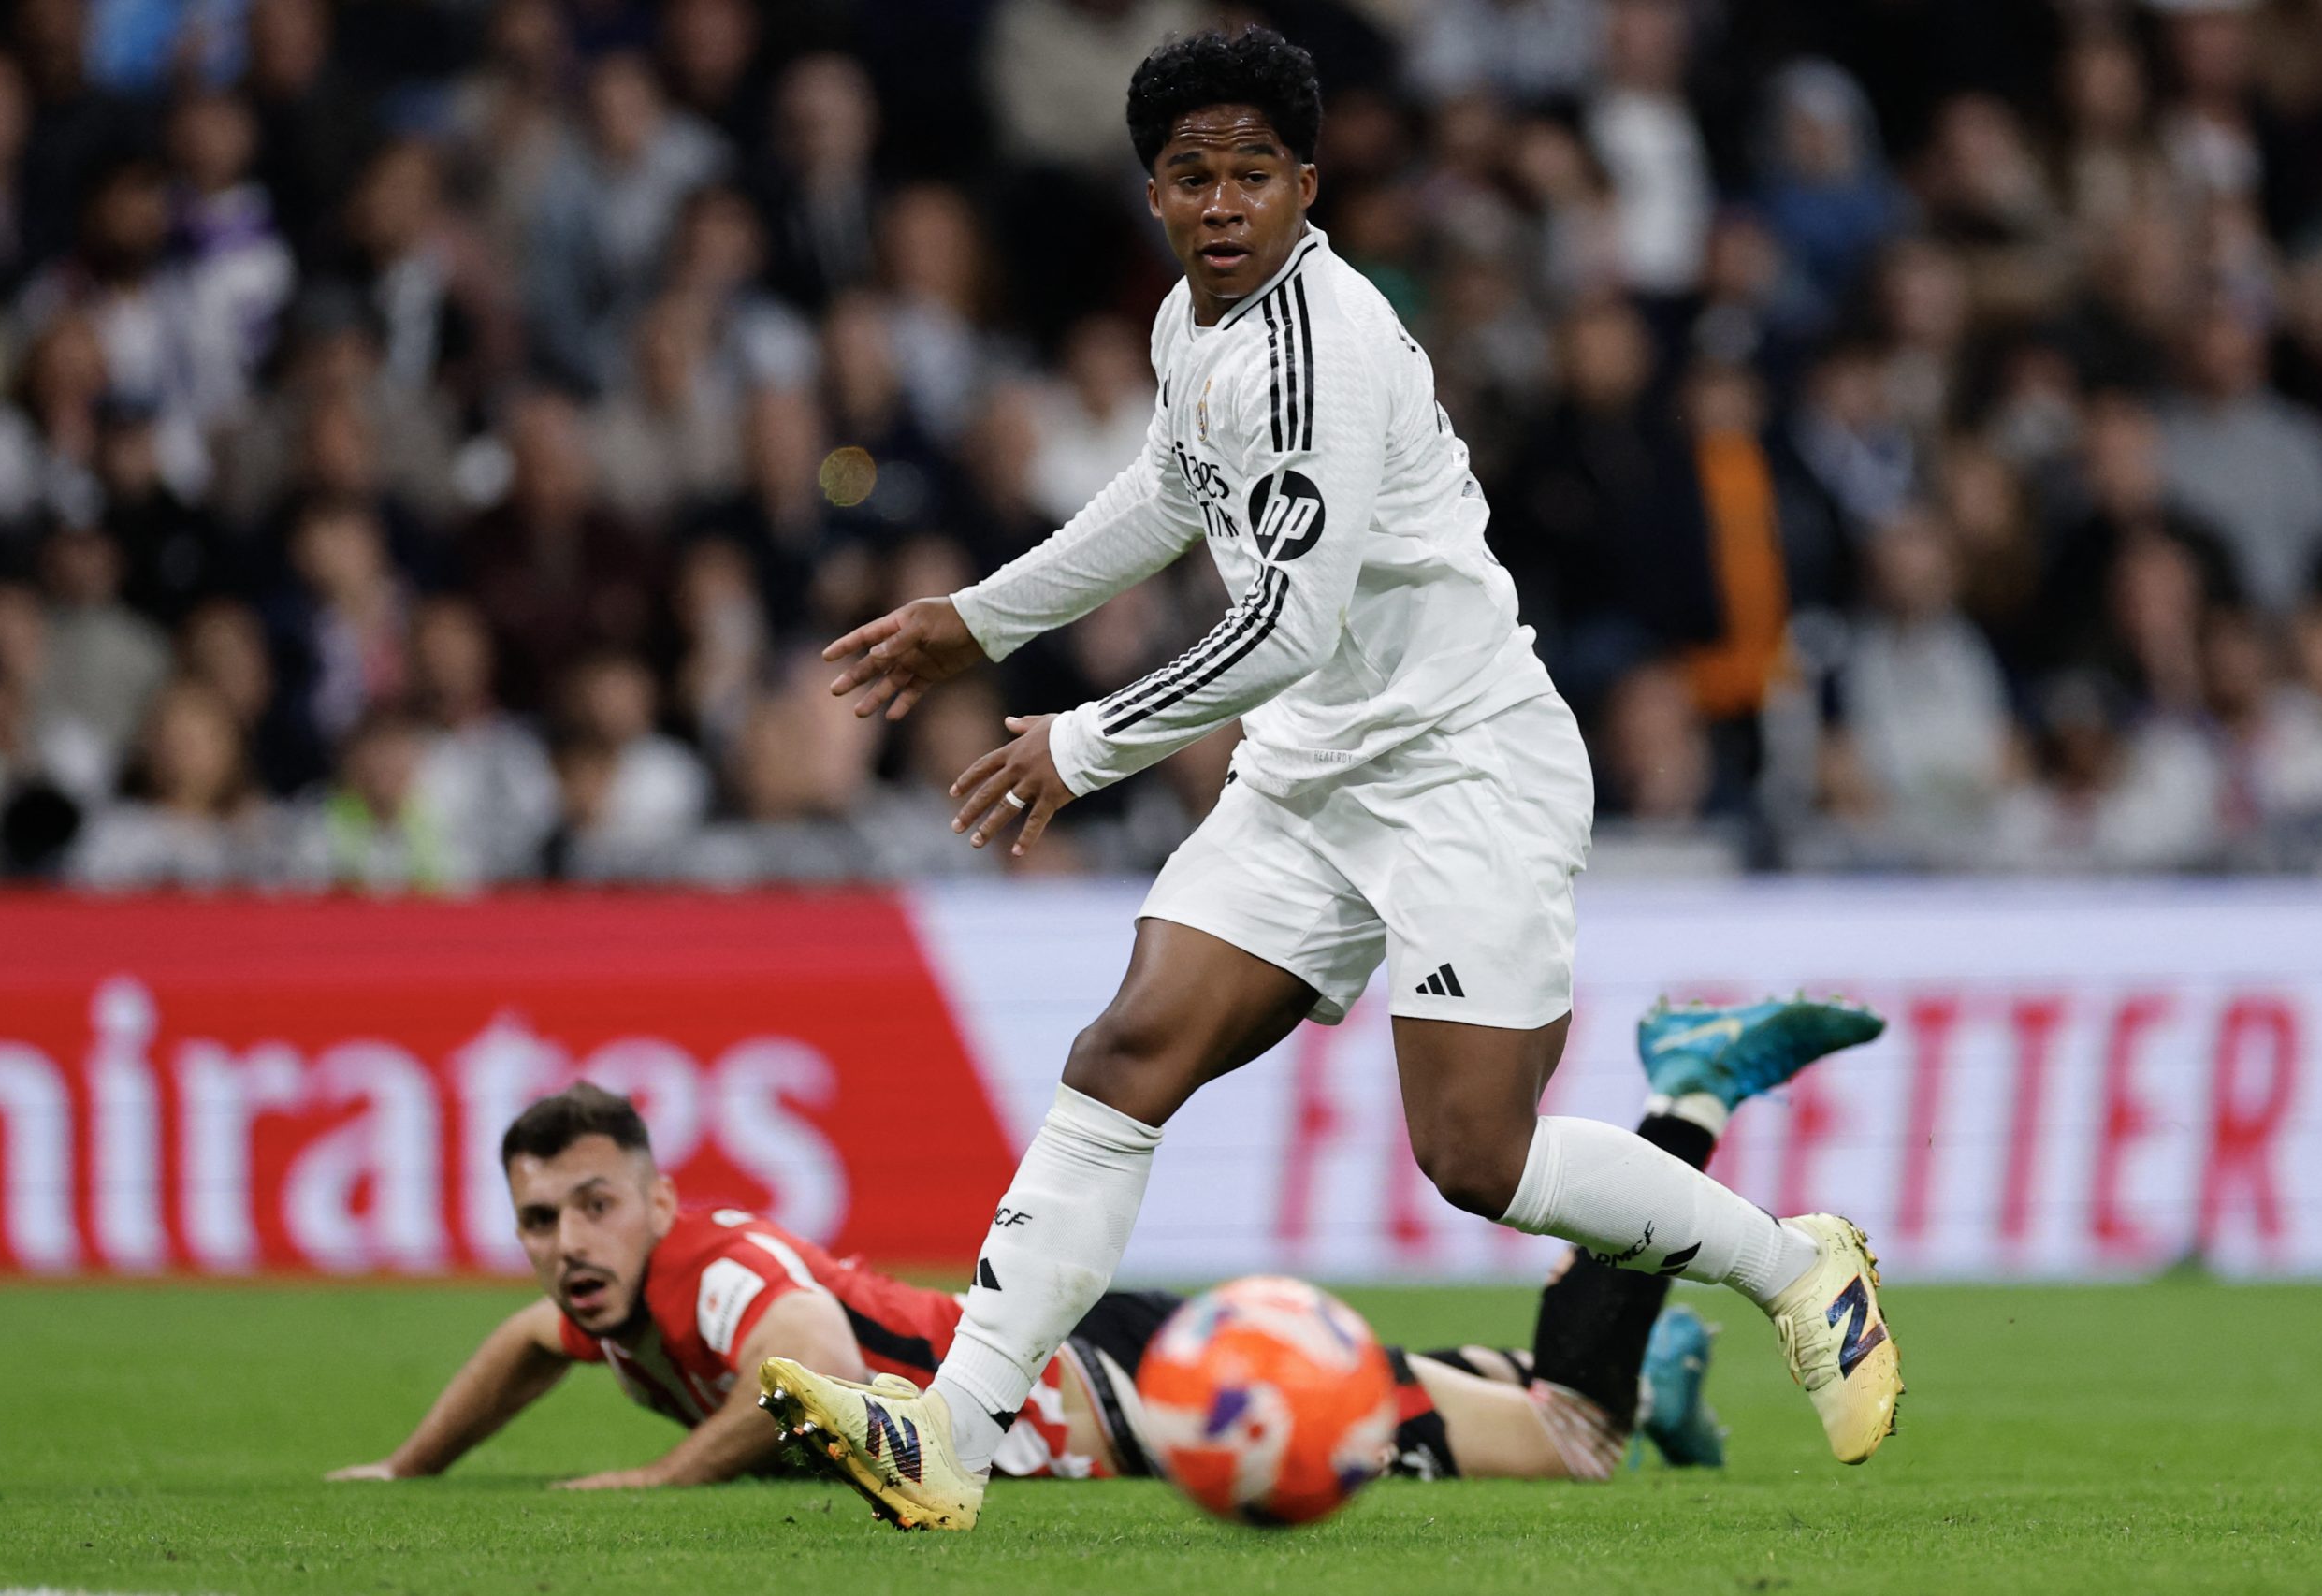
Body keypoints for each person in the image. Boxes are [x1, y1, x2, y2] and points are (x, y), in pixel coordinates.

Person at [776, 28, 1903, 1533]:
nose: (1221, 202)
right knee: (1127, 1049)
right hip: (1315, 764)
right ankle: (953, 1433)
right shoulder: (1193, 327)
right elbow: (1169, 491)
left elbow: (1286, 624)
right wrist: (981, 619)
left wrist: (1082, 741)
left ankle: (1797, 1263)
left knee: (1476, 1155)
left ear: (1306, 187)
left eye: (1252, 173)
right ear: (1154, 193)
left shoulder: (1324, 346)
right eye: (1191, 175)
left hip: (1461, 763)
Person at [327, 996, 1883, 1489]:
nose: (568, 1243)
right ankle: (1659, 1366)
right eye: (541, 1219)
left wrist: (665, 1483)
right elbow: (526, 1345)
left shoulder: (708, 1271)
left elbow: (801, 1353)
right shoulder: (609, 1294)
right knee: (1501, 1398)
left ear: (659, 1196)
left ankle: (1686, 1093)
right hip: (1095, 1354)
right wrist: (407, 1469)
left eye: (595, 1203)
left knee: (1568, 1443)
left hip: (1123, 1396)